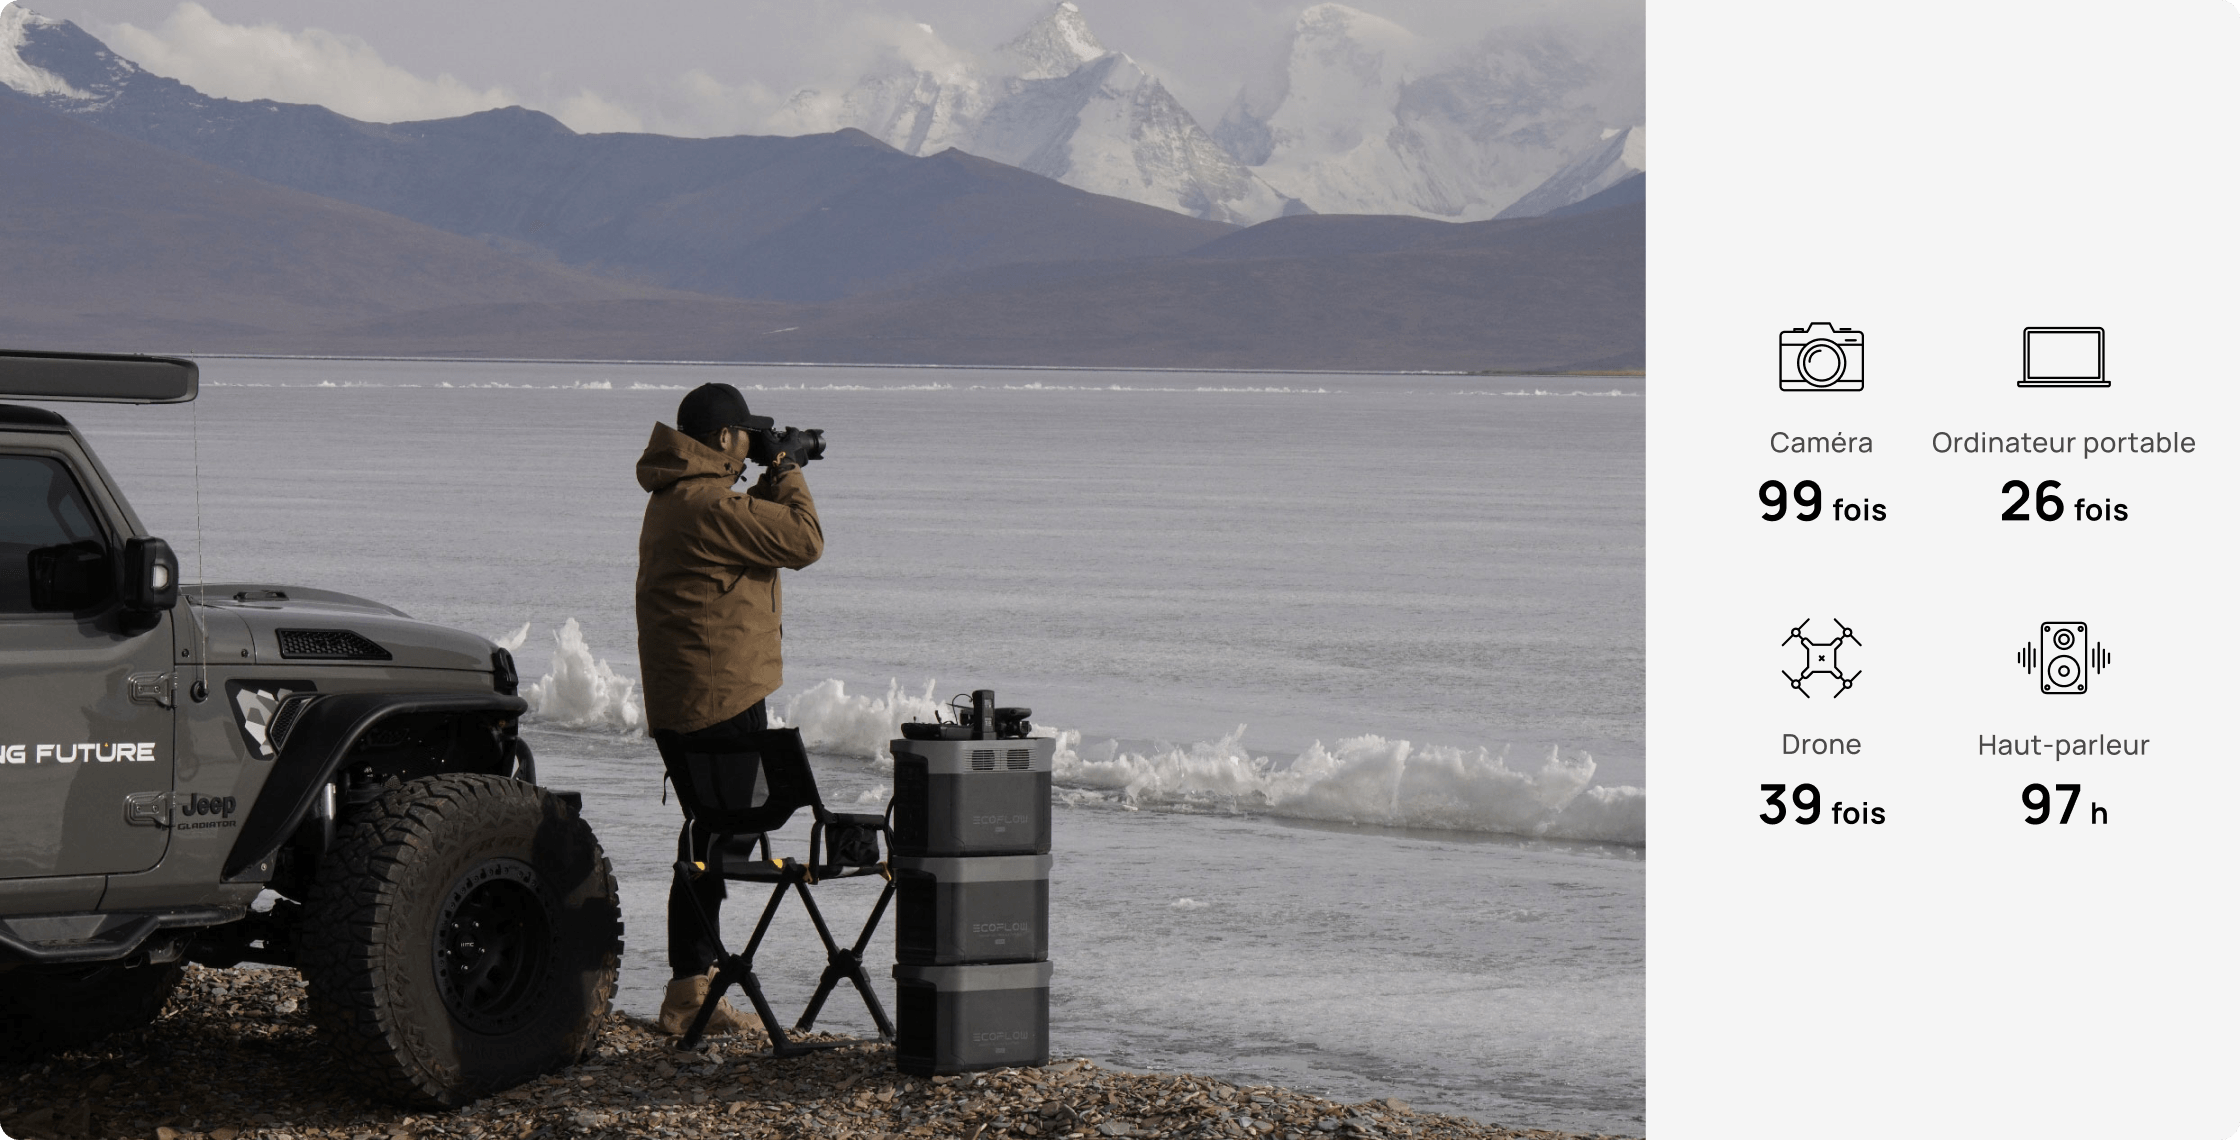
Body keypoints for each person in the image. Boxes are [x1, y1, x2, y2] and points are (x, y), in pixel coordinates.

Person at [634, 382, 823, 1035]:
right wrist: (787, 466)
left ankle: (693, 985)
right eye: (745, 435)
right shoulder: (706, 503)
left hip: (691, 694)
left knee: (710, 835)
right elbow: (802, 541)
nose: (751, 444)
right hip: (720, 696)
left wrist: (769, 469)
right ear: (722, 440)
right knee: (723, 835)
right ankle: (690, 989)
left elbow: (751, 533)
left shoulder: (683, 499)